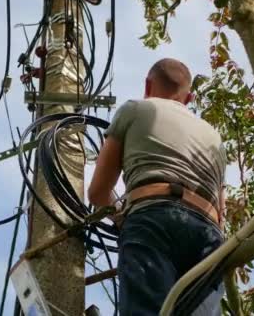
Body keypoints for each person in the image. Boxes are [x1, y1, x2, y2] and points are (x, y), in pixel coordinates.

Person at [88, 58, 227, 315]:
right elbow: (222, 211)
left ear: (147, 84)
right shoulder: (214, 137)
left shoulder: (136, 109)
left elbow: (98, 191)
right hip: (208, 237)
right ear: (189, 98)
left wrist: (119, 215)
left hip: (153, 220)